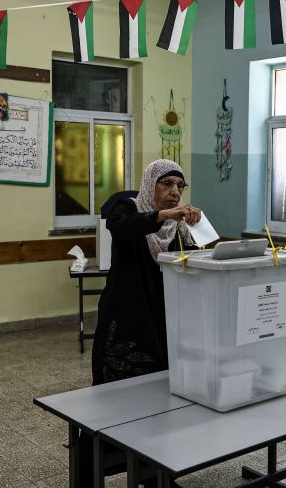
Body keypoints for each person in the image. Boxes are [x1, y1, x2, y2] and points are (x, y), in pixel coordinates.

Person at [79, 159, 201, 487]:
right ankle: (90, 475)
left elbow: (191, 262)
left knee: (161, 400)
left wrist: (196, 229)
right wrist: (164, 215)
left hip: (162, 320)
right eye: (167, 184)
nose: (175, 193)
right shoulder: (126, 207)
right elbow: (122, 228)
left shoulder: (177, 226)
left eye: (180, 186)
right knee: (114, 400)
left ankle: (156, 474)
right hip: (127, 320)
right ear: (151, 184)